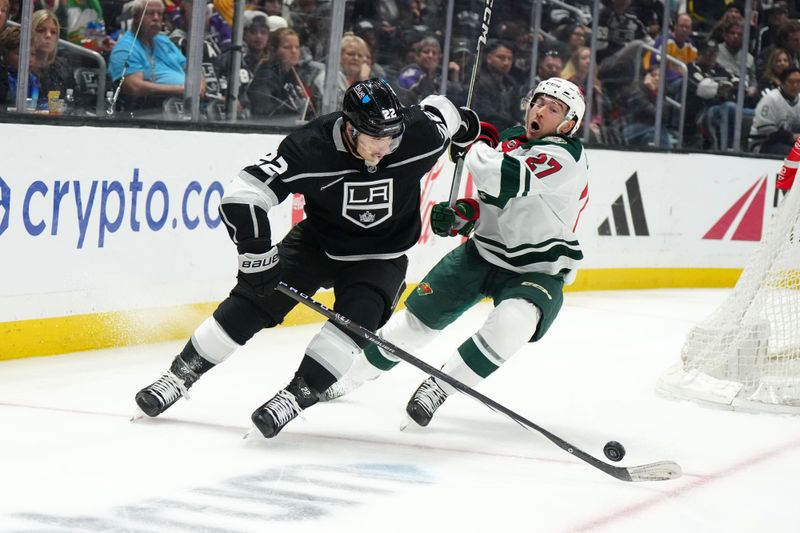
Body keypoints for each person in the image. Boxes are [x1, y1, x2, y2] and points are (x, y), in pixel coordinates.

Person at [133, 78, 482, 439]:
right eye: (375, 138)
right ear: (350, 127)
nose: (385, 148)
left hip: (382, 255)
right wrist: (256, 253)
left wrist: (465, 129)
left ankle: (295, 396)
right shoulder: (310, 147)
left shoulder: (419, 136)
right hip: (318, 242)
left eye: (391, 137)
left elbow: (444, 109)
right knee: (252, 302)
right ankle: (179, 375)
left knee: (355, 322)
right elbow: (242, 195)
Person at [321, 77, 589, 430]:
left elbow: (501, 177)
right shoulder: (509, 141)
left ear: (569, 124)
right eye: (538, 101)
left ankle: (439, 387)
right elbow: (495, 202)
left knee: (514, 323)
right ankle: (350, 377)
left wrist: (473, 144)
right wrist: (465, 214)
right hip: (482, 254)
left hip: (537, 270)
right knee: (412, 325)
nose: (540, 110)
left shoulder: (565, 156)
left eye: (553, 108)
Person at [108, 0, 193, 113]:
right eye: (150, 13)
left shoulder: (165, 41)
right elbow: (135, 87)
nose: (156, 18)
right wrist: (183, 89)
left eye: (159, 14)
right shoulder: (126, 47)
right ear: (136, 17)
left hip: (189, 103)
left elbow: (191, 68)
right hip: (154, 112)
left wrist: (199, 84)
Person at [749, 66, 800, 154]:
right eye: (791, 82)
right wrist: (792, 137)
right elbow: (766, 131)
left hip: (790, 143)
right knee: (794, 154)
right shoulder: (770, 99)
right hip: (763, 143)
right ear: (782, 83)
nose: (795, 85)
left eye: (798, 82)